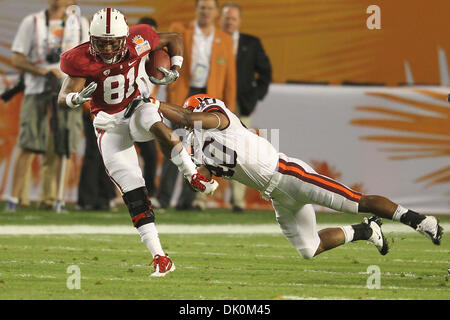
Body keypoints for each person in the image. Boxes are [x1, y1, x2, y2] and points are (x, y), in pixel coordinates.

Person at [156, 94, 444, 260]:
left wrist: (154, 104)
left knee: (359, 200)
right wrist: (197, 179)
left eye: (194, 111)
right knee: (309, 249)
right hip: (277, 196)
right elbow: (205, 177)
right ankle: (366, 231)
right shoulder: (201, 148)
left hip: (290, 175)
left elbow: (188, 118)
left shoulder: (222, 120)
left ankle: (420, 221)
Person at [57, 8, 218, 277]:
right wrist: (73, 100)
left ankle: (193, 176)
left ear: (124, 36)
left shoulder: (139, 38)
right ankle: (160, 257)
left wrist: (175, 69)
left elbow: (174, 39)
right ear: (91, 38)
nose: (108, 47)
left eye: (113, 41)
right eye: (101, 42)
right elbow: (64, 94)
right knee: (133, 192)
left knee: (153, 121)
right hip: (109, 125)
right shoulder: (79, 59)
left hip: (135, 106)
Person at [3, 0, 87, 213]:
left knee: (65, 144)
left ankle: (55, 199)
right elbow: (17, 58)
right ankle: (14, 198)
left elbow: (88, 59)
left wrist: (71, 75)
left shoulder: (81, 24)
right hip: (36, 87)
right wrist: (42, 72)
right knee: (28, 141)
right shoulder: (32, 21)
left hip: (69, 90)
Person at [156, 0, 237, 210]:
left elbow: (230, 77)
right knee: (172, 143)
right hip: (183, 94)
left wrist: (228, 108)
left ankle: (188, 200)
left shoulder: (225, 39)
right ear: (196, 10)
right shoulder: (180, 30)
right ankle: (163, 198)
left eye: (210, 8)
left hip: (208, 99)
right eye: (202, 8)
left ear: (216, 12)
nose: (206, 12)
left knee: (199, 152)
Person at [219, 2, 272, 212]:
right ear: (219, 19)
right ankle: (201, 199)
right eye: (226, 18)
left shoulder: (251, 43)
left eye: (233, 18)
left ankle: (237, 200)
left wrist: (254, 97)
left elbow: (265, 73)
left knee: (239, 151)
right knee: (205, 148)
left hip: (241, 105)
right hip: (213, 102)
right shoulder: (210, 42)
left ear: (239, 21)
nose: (229, 22)